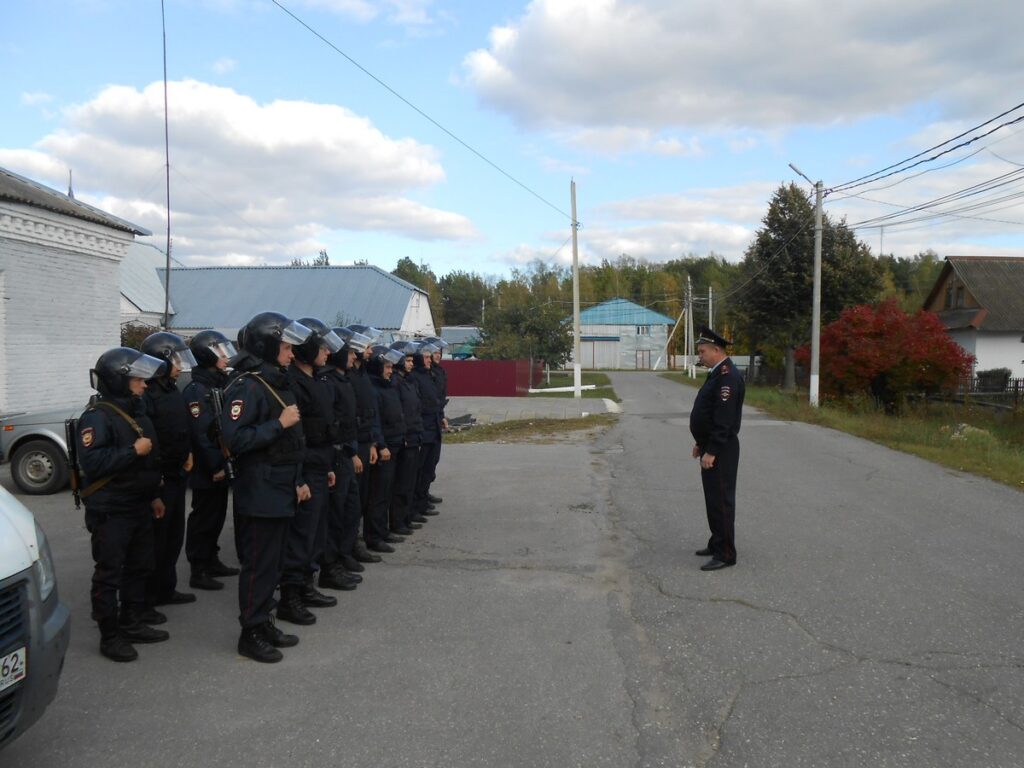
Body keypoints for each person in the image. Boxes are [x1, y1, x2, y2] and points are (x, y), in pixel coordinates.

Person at [221, 311, 311, 662]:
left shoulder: (275, 382)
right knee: (258, 566)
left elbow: (295, 442)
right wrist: (278, 423)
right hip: (259, 493)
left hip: (280, 488)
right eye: (286, 347)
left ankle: (264, 621)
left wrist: (298, 479)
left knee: (273, 564)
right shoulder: (248, 387)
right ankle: (250, 632)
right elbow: (235, 439)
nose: (291, 354)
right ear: (268, 345)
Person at [76, 347, 169, 662]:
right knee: (109, 572)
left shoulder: (135, 409)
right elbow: (93, 461)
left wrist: (154, 495)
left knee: (141, 565)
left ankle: (132, 621)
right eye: (137, 379)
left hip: (138, 503)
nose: (144, 385)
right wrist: (133, 451)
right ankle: (110, 635)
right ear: (118, 380)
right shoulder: (97, 416)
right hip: (111, 508)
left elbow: (149, 461)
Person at [276, 317, 344, 625]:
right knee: (301, 537)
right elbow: (296, 436)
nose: (327, 353)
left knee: (315, 534)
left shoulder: (314, 379)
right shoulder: (294, 383)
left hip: (320, 464)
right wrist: (300, 477)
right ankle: (290, 597)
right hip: (306, 466)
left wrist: (327, 466)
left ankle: (307, 585)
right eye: (322, 347)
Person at [140, 331, 198, 612]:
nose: (180, 366)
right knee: (156, 540)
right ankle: (148, 596)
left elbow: (180, 427)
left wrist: (187, 452)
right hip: (160, 477)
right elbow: (150, 438)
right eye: (175, 360)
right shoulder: (148, 395)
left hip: (178, 473)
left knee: (174, 535)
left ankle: (166, 587)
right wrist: (155, 479)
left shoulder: (172, 389)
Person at [182, 329, 240, 591]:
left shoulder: (216, 383)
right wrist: (216, 464)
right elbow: (202, 433)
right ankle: (199, 568)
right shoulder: (197, 390)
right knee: (204, 517)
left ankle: (212, 559)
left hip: (218, 462)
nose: (225, 357)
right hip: (207, 468)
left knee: (216, 515)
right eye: (220, 352)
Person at [688, 326, 745, 572]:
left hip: (721, 450)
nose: (699, 355)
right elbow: (708, 415)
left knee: (721, 500)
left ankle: (726, 553)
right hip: (711, 446)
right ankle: (716, 542)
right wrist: (701, 444)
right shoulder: (716, 373)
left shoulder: (727, 377)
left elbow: (723, 420)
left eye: (702, 351)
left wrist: (711, 451)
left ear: (716, 350)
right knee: (712, 499)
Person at [319, 328, 369, 585]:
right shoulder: (329, 383)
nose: (353, 356)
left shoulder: (344, 379)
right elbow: (331, 424)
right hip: (337, 456)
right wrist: (345, 452)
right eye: (349, 352)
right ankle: (332, 563)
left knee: (351, 508)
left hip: (347, 452)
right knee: (336, 512)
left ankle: (343, 554)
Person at [366, 345, 408, 540]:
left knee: (389, 490)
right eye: (387, 367)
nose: (391, 371)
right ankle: (375, 534)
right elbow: (375, 421)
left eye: (392, 367)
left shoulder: (388, 386)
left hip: (396, 442)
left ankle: (383, 530)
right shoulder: (374, 390)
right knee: (379, 494)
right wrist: (381, 445)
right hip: (386, 446)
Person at [389, 341, 423, 531]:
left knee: (410, 480)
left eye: (411, 360)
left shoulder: (408, 381)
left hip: (414, 434)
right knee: (401, 483)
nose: (411, 364)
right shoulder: (396, 382)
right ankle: (397, 521)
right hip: (405, 437)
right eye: (407, 360)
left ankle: (406, 516)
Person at [411, 341, 443, 520]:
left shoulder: (430, 374)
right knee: (420, 469)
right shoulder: (417, 377)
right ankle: (417, 504)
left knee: (430, 465)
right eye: (426, 357)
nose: (430, 360)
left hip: (434, 425)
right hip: (424, 428)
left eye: (431, 356)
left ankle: (422, 500)